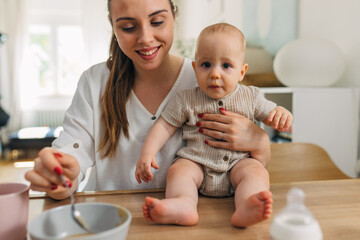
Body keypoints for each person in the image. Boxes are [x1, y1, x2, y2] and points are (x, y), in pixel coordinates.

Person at [25, 0, 272, 201]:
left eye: (157, 22)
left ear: (174, 17)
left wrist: (260, 143)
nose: (145, 38)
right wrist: (60, 176)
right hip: (110, 219)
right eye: (128, 27)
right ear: (113, 27)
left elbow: (245, 169)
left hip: (186, 223)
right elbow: (71, 152)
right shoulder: (94, 82)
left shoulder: (209, 80)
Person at [135, 23, 293, 227]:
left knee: (256, 172)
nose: (215, 74)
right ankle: (183, 204)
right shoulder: (186, 99)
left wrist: (282, 113)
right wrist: (147, 154)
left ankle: (247, 205)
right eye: (206, 65)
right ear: (194, 67)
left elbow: (272, 113)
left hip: (238, 163)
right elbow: (164, 126)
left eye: (226, 66)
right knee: (178, 171)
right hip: (196, 162)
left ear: (242, 72)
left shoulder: (251, 96)